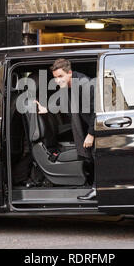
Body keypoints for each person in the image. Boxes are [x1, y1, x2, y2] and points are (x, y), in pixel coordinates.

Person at [35, 58, 96, 200]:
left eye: (60, 76)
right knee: (92, 155)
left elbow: (96, 111)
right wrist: (46, 109)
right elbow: (60, 99)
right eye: (55, 78)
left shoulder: (84, 84)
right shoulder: (68, 85)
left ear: (70, 73)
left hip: (96, 124)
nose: (57, 81)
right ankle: (93, 185)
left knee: (96, 155)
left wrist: (91, 134)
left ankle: (96, 189)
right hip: (88, 123)